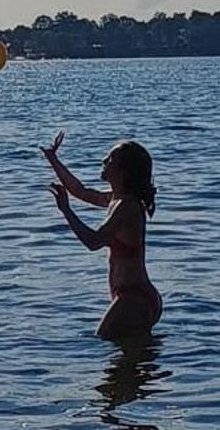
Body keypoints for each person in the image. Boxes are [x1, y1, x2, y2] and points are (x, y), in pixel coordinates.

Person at [42, 130, 161, 343]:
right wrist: (53, 159)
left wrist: (66, 211)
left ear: (124, 171)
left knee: (105, 346)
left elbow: (93, 241)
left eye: (110, 158)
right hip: (134, 298)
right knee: (132, 363)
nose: (103, 160)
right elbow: (80, 190)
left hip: (133, 298)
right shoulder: (117, 199)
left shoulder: (127, 206)